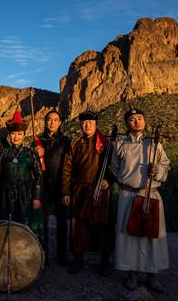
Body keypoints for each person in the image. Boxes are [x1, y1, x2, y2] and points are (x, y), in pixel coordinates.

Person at [111, 108, 170, 292]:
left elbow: (165, 167)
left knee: (152, 235)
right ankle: (132, 274)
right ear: (127, 124)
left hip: (149, 194)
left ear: (144, 121)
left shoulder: (154, 145)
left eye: (139, 118)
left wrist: (157, 172)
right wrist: (127, 180)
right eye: (132, 119)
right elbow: (114, 168)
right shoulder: (120, 145)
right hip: (127, 195)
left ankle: (152, 276)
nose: (136, 121)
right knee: (129, 236)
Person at [61, 110, 115, 275]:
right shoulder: (75, 144)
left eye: (90, 122)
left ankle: (105, 261)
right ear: (80, 124)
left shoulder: (106, 144)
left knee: (103, 225)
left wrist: (110, 180)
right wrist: (65, 192)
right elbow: (67, 169)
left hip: (101, 189)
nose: (87, 125)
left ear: (96, 124)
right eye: (84, 122)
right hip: (79, 190)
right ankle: (78, 259)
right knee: (78, 226)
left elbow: (116, 167)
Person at [0, 108, 44, 242]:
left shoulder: (30, 153)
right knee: (8, 226)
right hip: (6, 195)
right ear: (9, 135)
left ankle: (28, 257)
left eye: (19, 134)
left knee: (25, 225)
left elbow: (38, 175)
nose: (16, 137)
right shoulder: (3, 153)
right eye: (13, 133)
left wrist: (37, 197)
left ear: (24, 135)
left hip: (25, 194)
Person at [35, 110, 70, 265]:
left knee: (62, 223)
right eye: (49, 119)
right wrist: (36, 154)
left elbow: (69, 166)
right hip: (42, 187)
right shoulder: (37, 141)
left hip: (60, 186)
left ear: (60, 122)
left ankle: (62, 256)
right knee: (43, 223)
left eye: (56, 120)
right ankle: (44, 255)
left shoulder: (66, 141)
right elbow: (31, 165)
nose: (52, 122)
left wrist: (66, 190)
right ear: (45, 121)